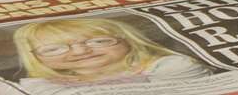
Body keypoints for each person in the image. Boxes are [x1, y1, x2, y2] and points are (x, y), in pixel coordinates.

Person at [12, 17, 219, 89]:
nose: (81, 50)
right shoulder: (40, 85)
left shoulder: (173, 65)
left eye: (99, 40)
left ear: (128, 41)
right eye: (54, 48)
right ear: (35, 57)